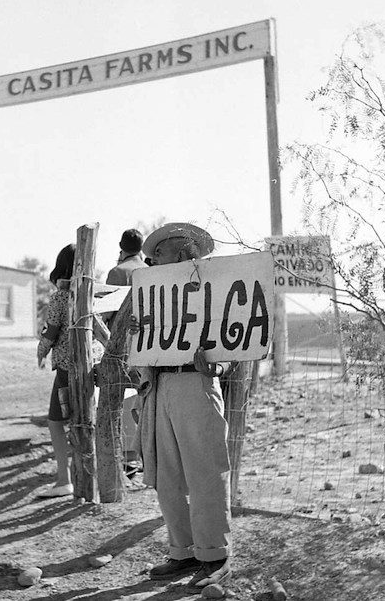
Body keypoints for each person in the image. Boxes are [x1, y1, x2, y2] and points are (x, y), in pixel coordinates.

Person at [129, 222, 232, 589]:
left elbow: (236, 339)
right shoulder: (152, 295)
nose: (151, 259)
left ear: (185, 254)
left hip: (196, 382)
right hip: (160, 386)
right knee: (166, 474)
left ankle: (214, 553)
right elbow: (141, 337)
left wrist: (218, 365)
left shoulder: (214, 290)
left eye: (160, 254)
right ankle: (183, 550)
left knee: (204, 470)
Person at [104, 228, 146, 477]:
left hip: (123, 339)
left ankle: (128, 458)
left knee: (126, 393)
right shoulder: (149, 269)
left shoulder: (117, 271)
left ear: (121, 247)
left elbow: (108, 309)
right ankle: (142, 453)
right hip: (149, 339)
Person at [36, 243, 76, 498]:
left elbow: (51, 330)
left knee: (56, 421)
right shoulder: (91, 293)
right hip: (89, 364)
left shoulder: (60, 296)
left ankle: (64, 479)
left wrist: (40, 351)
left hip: (64, 365)